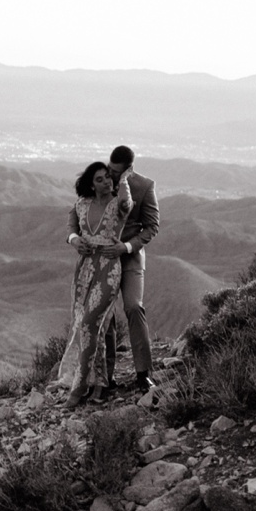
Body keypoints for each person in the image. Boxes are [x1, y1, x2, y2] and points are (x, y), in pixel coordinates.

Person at [60, 160, 134, 407]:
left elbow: (127, 202)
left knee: (91, 322)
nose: (106, 182)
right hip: (84, 269)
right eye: (99, 179)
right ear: (90, 184)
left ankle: (79, 386)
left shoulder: (118, 204)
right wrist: (73, 240)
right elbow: (71, 227)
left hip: (109, 269)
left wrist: (123, 179)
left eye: (107, 177)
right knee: (89, 326)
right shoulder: (81, 204)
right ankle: (100, 383)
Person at [106, 145, 159, 394]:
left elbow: (151, 227)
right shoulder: (100, 180)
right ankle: (104, 375)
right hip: (104, 258)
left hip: (130, 257)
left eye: (116, 172)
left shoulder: (145, 186)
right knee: (105, 313)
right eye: (110, 169)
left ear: (128, 169)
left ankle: (143, 373)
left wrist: (127, 247)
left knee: (133, 306)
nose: (112, 175)